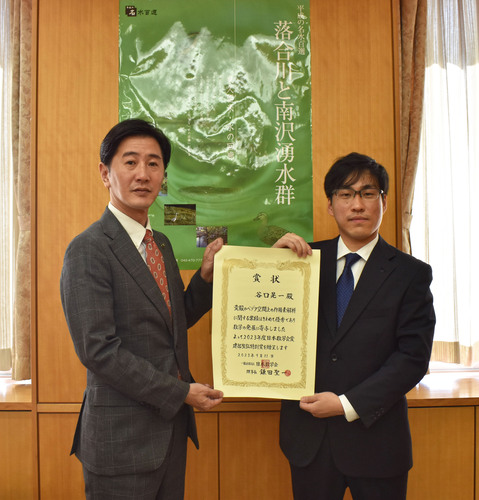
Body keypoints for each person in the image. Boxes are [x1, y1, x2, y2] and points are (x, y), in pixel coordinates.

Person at [60, 118, 224, 500]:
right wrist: (181, 392)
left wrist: (205, 277)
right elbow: (98, 350)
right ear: (106, 173)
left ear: (163, 176)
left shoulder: (160, 243)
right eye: (130, 162)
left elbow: (173, 317)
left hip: (169, 434)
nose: (143, 174)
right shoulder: (89, 248)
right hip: (121, 443)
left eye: (153, 164)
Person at [273, 152, 435, 500]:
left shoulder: (411, 274)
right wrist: (272, 269)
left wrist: (346, 404)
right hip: (309, 442)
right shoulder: (300, 264)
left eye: (367, 193)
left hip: (377, 443)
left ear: (384, 201)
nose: (357, 204)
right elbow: (270, 324)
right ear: (331, 205)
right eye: (345, 195)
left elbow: (412, 359)